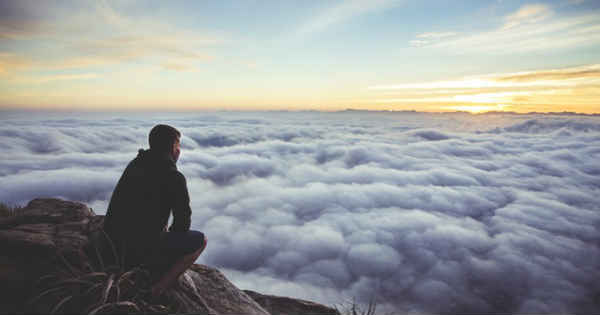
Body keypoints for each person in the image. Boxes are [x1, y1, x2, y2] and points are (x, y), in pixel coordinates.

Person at [103, 124, 207, 298]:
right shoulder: (174, 177)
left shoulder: (135, 164)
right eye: (178, 146)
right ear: (173, 148)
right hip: (139, 252)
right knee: (201, 240)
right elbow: (182, 224)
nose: (179, 151)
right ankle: (157, 289)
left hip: (112, 245)